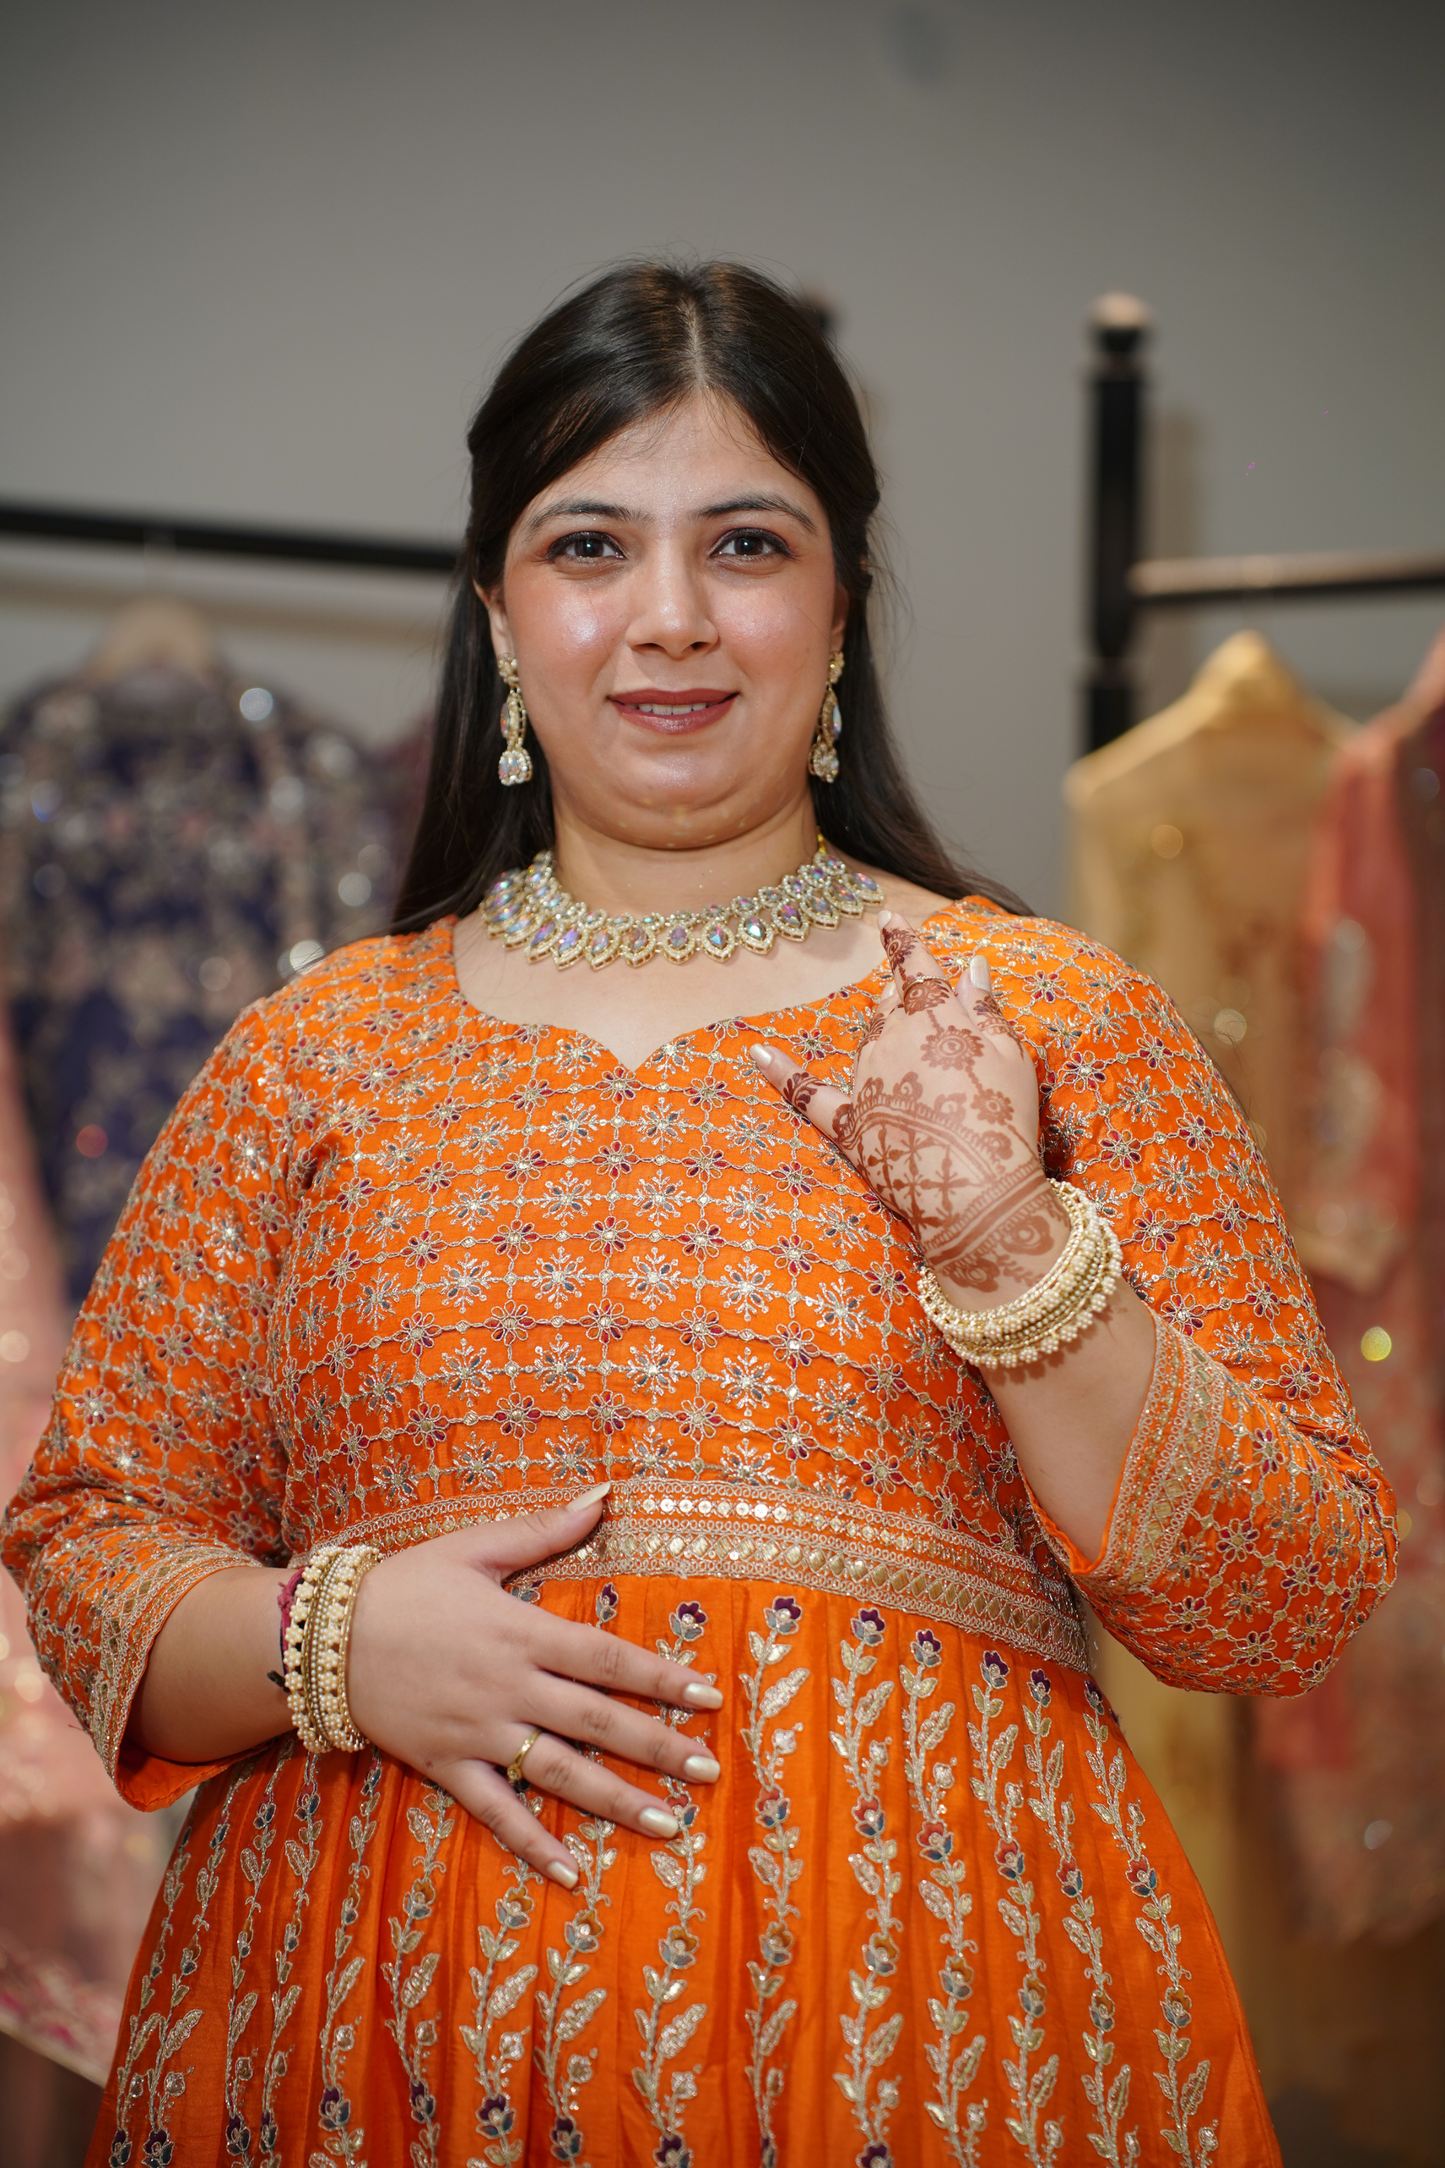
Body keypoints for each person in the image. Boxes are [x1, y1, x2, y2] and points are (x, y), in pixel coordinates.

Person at [1, 262, 1392, 2168]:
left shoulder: (1032, 1021)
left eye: (746, 543)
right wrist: (340, 1642)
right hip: (365, 2037)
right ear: (499, 612)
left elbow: (1289, 1589)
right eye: (591, 544)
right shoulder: (313, 1056)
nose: (670, 620)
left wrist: (1008, 1250)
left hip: (944, 2040)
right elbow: (87, 1550)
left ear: (842, 606)